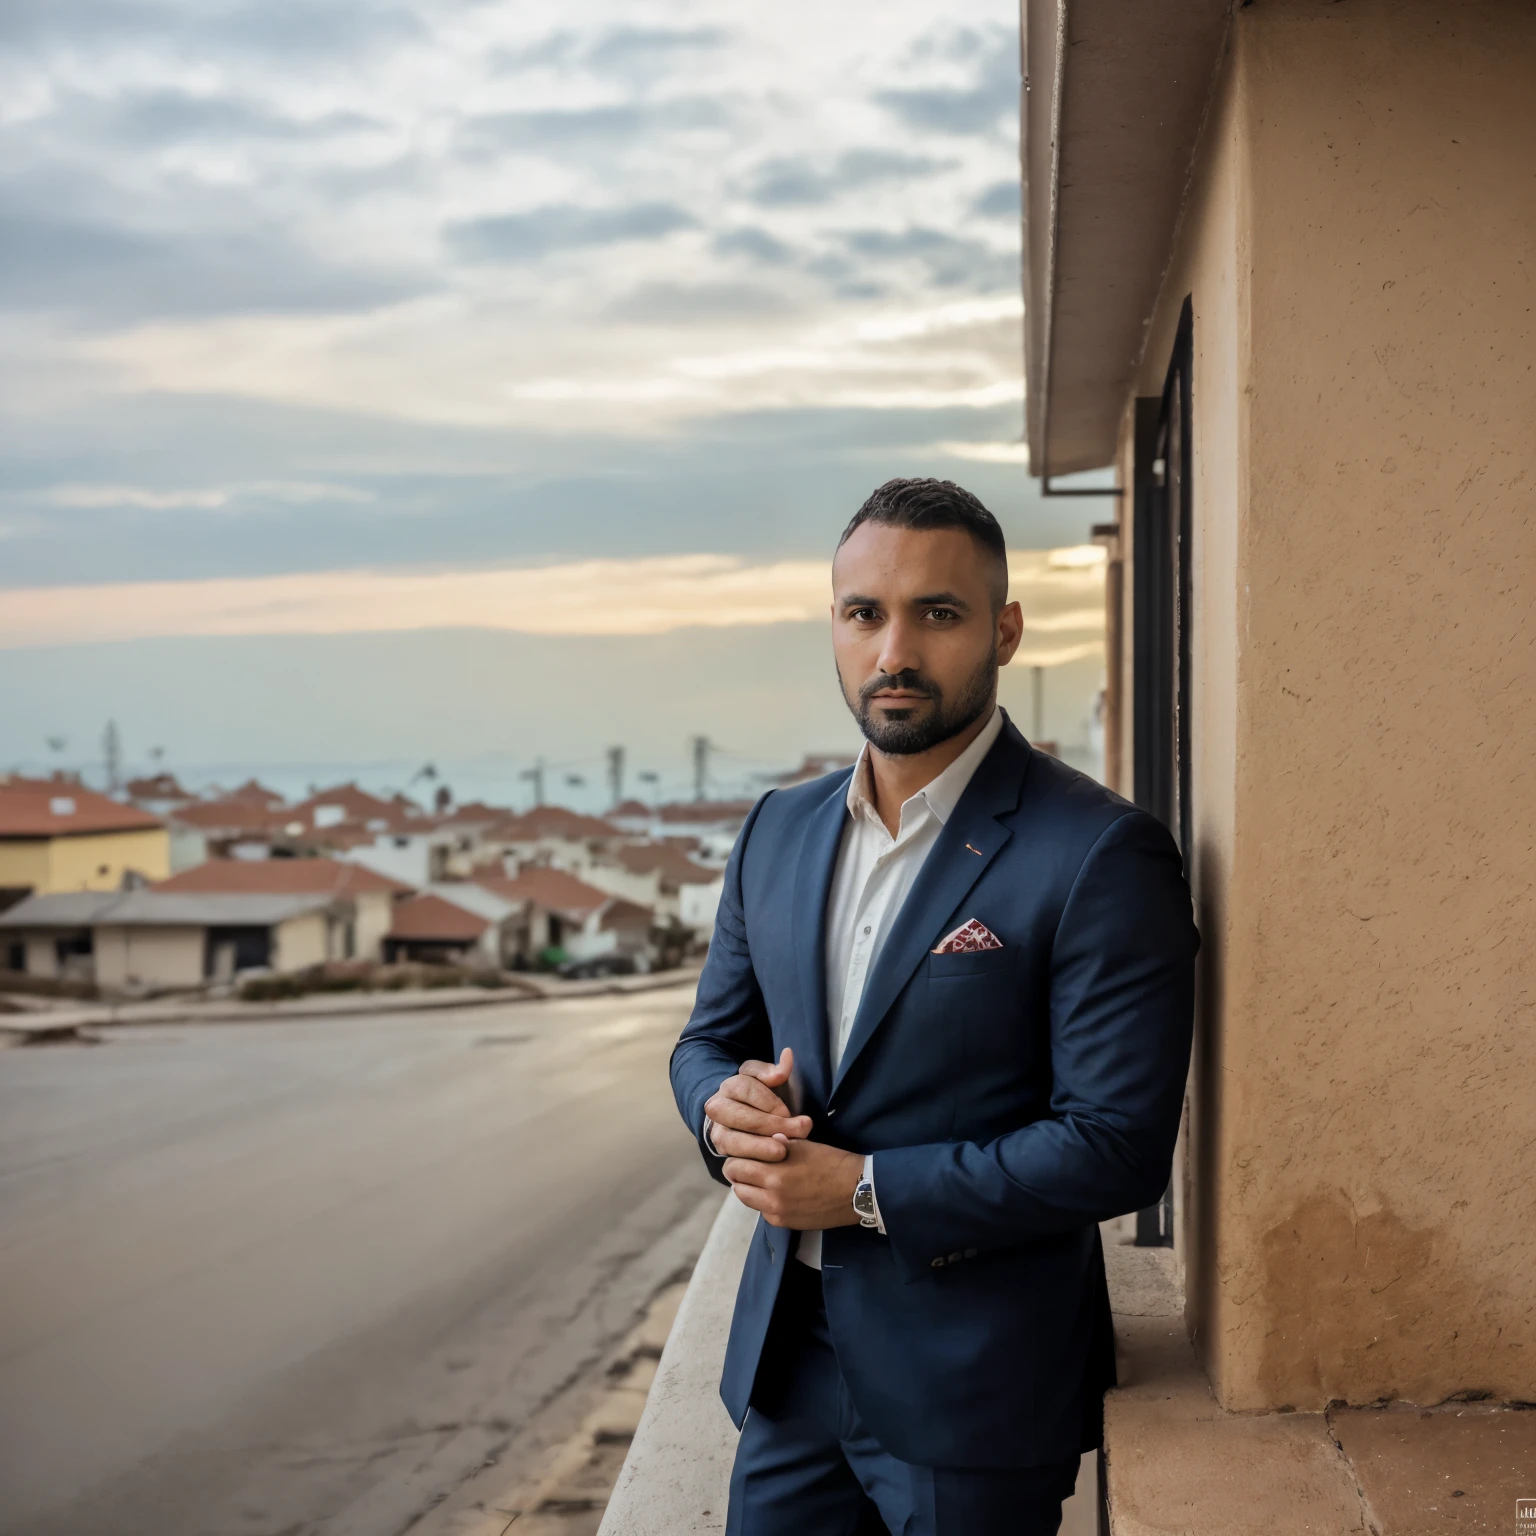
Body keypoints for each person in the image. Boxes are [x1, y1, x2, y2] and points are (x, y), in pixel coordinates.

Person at [671, 477, 1199, 1536]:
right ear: (834, 622)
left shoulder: (1098, 852)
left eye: (938, 614)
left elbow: (1116, 1146)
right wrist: (721, 1114)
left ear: (1004, 630)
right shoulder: (777, 830)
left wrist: (864, 1191)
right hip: (789, 1371)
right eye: (865, 613)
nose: (893, 652)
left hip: (976, 1391)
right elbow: (707, 1044)